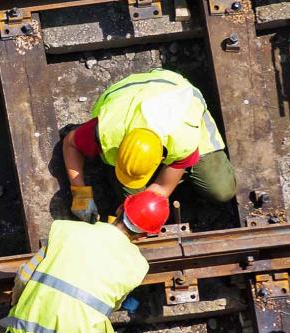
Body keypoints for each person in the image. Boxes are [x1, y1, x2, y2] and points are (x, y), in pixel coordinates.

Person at [0, 191, 171, 333]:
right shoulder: (138, 266)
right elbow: (113, 305)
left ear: (120, 209)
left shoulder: (67, 230)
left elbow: (24, 276)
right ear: (145, 235)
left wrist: (19, 306)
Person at [61, 69, 236, 223]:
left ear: (161, 159)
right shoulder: (108, 130)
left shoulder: (183, 139)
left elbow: (162, 187)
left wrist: (146, 209)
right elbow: (71, 143)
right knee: (133, 200)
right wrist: (80, 194)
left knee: (222, 190)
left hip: (176, 89)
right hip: (127, 94)